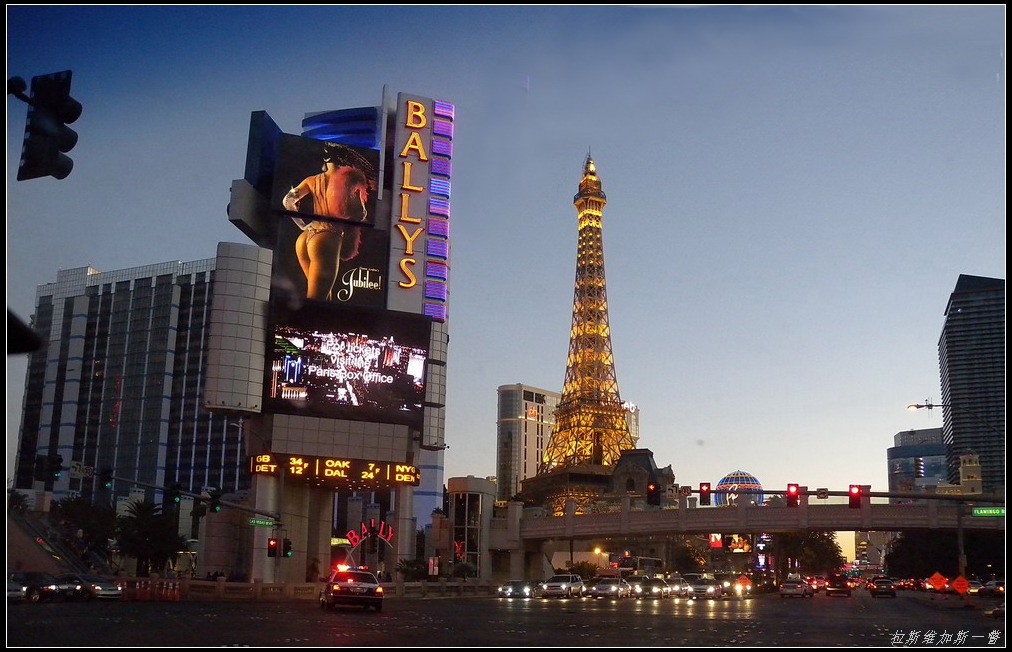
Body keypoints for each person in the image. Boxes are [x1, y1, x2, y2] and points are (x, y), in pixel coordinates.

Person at [282, 142, 375, 301]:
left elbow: (287, 201)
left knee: (323, 298)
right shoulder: (350, 178)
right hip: (327, 239)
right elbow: (360, 213)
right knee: (316, 300)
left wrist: (303, 225)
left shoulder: (311, 180)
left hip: (304, 239)